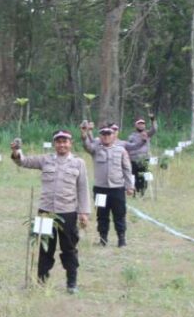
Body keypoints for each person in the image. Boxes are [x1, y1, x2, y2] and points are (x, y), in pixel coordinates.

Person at [11, 130, 91, 294]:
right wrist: (16, 151)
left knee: (69, 248)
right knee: (45, 247)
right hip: (45, 211)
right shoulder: (45, 160)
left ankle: (71, 282)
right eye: (58, 141)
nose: (62, 144)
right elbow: (23, 162)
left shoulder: (78, 163)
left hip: (68, 212)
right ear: (54, 144)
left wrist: (84, 212)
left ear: (71, 143)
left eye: (65, 141)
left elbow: (83, 188)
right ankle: (41, 280)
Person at [81, 122, 134, 246]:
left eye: (108, 134)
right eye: (103, 134)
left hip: (117, 188)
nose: (105, 136)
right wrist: (84, 134)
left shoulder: (121, 150)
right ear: (100, 136)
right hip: (101, 189)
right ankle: (103, 239)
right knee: (102, 215)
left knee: (119, 215)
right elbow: (86, 146)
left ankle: (121, 239)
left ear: (113, 135)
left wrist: (130, 186)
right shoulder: (96, 149)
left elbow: (127, 168)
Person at [123, 117, 155, 197]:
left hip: (144, 159)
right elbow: (128, 147)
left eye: (143, 124)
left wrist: (152, 120)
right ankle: (133, 191)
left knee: (143, 176)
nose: (141, 125)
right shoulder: (131, 136)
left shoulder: (147, 134)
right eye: (139, 124)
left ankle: (142, 191)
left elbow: (154, 129)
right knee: (133, 176)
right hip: (133, 160)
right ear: (136, 125)